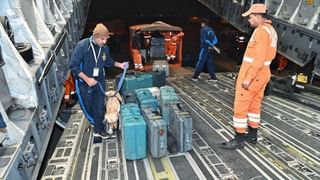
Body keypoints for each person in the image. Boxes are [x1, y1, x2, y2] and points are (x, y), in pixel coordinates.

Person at [221, 3, 278, 149]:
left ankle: (239, 139)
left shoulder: (260, 32)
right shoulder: (271, 30)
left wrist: (248, 77)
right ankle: (252, 135)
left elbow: (258, 58)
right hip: (263, 73)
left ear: (259, 17)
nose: (249, 20)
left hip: (254, 75)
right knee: (255, 104)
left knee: (241, 104)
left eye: (251, 17)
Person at [69, 23, 127, 139]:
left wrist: (120, 65)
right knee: (88, 106)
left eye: (106, 39)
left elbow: (108, 61)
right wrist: (87, 79)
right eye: (102, 39)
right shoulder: (83, 46)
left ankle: (98, 130)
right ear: (95, 37)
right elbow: (73, 66)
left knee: (99, 106)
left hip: (99, 81)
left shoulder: (104, 48)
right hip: (85, 83)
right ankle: (94, 122)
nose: (105, 42)